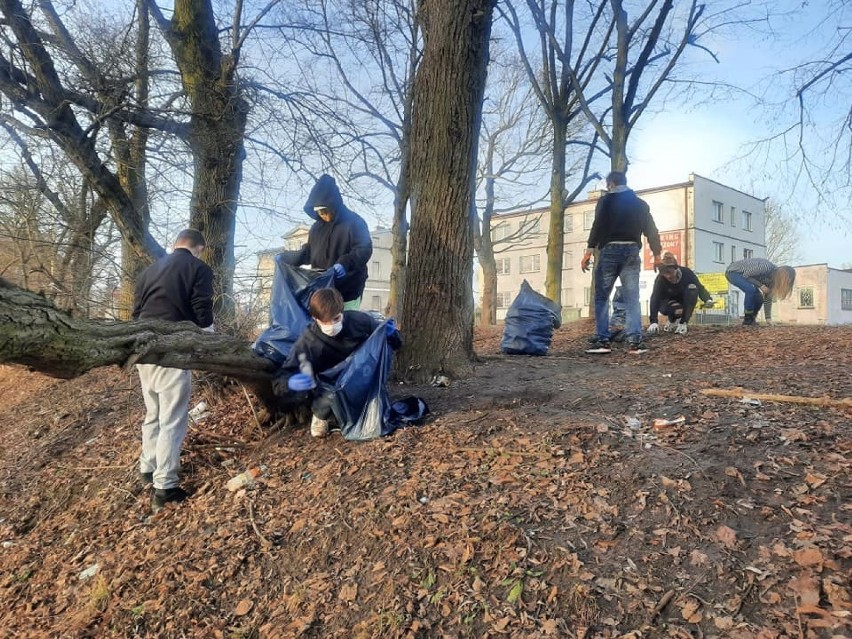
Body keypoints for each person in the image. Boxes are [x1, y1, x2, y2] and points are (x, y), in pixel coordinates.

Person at [132, 229, 215, 512]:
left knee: (153, 412)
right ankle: (164, 487)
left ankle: (148, 466)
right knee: (172, 418)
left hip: (143, 348)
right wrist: (208, 340)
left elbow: (135, 313)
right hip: (174, 350)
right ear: (199, 248)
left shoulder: (149, 271)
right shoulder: (198, 268)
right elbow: (202, 307)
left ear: (174, 244)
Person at [278, 288, 401, 437]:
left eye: (336, 319)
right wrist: (291, 383)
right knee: (327, 392)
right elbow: (283, 377)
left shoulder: (360, 321)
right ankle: (320, 415)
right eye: (325, 322)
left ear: (342, 312)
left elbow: (395, 344)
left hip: (361, 376)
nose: (332, 325)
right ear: (315, 319)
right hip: (330, 387)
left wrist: (392, 334)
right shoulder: (308, 342)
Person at [581, 171, 661, 354]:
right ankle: (635, 342)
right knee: (632, 298)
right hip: (632, 251)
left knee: (602, 296)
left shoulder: (605, 202)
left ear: (611, 184)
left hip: (609, 250)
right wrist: (657, 254)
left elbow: (598, 226)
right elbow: (652, 230)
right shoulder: (640, 204)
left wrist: (589, 251)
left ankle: (603, 341)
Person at [280, 174, 373, 310]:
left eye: (325, 210)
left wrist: (344, 264)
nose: (322, 215)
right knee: (323, 329)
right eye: (318, 212)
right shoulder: (316, 228)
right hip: (322, 291)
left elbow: (364, 249)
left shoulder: (354, 222)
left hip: (348, 290)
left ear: (334, 205)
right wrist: (285, 257)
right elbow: (308, 253)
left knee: (344, 326)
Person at [646, 252, 714, 336]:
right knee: (676, 309)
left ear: (676, 269)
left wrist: (707, 299)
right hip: (667, 303)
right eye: (665, 273)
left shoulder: (687, 273)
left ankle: (683, 323)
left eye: (670, 272)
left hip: (683, 301)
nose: (668, 277)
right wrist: (654, 322)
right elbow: (655, 298)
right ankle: (672, 320)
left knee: (692, 288)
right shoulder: (660, 279)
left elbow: (699, 287)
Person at [725, 257, 796, 326]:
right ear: (782, 275)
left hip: (745, 276)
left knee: (759, 299)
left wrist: (768, 319)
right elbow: (746, 275)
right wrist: (761, 286)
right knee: (751, 290)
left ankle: (752, 319)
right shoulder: (766, 267)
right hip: (733, 272)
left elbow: (768, 298)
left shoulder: (773, 282)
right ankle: (747, 319)